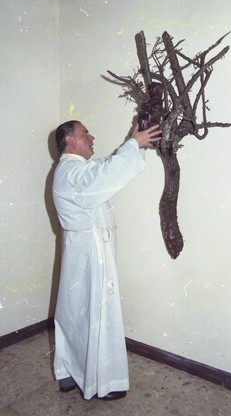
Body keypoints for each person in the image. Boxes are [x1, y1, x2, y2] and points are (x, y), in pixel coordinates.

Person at [52, 120, 161, 401]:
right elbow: (105, 176)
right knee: (93, 314)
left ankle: (68, 372)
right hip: (89, 253)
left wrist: (135, 142)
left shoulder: (78, 168)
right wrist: (133, 145)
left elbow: (108, 167)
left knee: (77, 312)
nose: (92, 136)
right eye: (85, 133)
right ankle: (100, 382)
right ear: (69, 141)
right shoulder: (70, 171)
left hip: (86, 250)